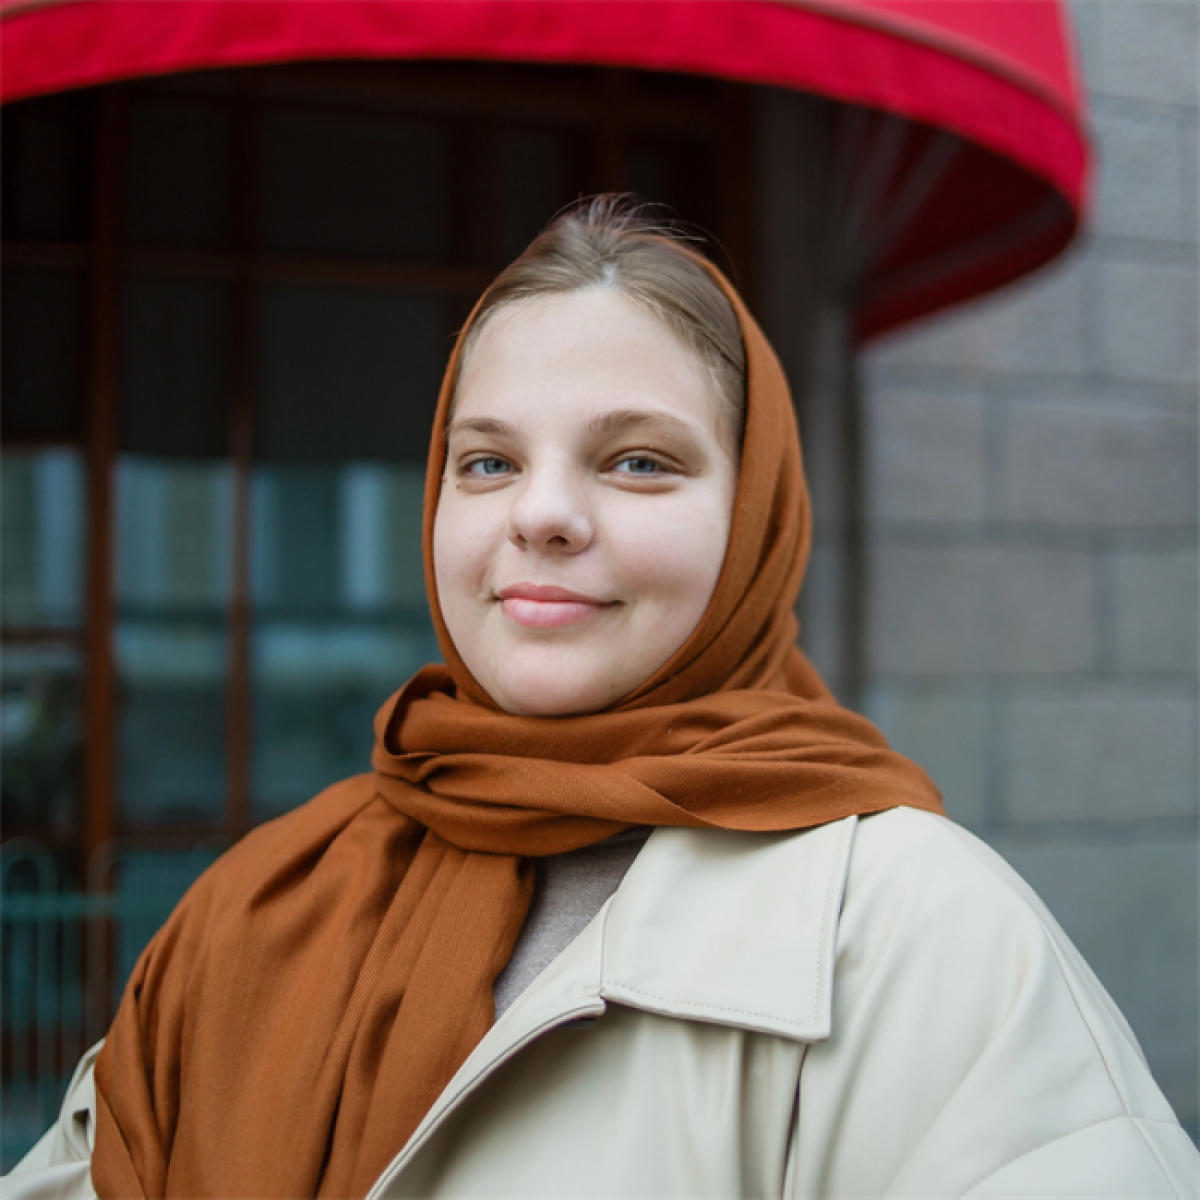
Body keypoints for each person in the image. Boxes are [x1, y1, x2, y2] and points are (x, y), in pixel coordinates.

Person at [7, 198, 1197, 1200]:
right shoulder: (250, 906)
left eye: (638, 461)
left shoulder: (922, 938)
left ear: (757, 518)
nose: (542, 514)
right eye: (488, 461)